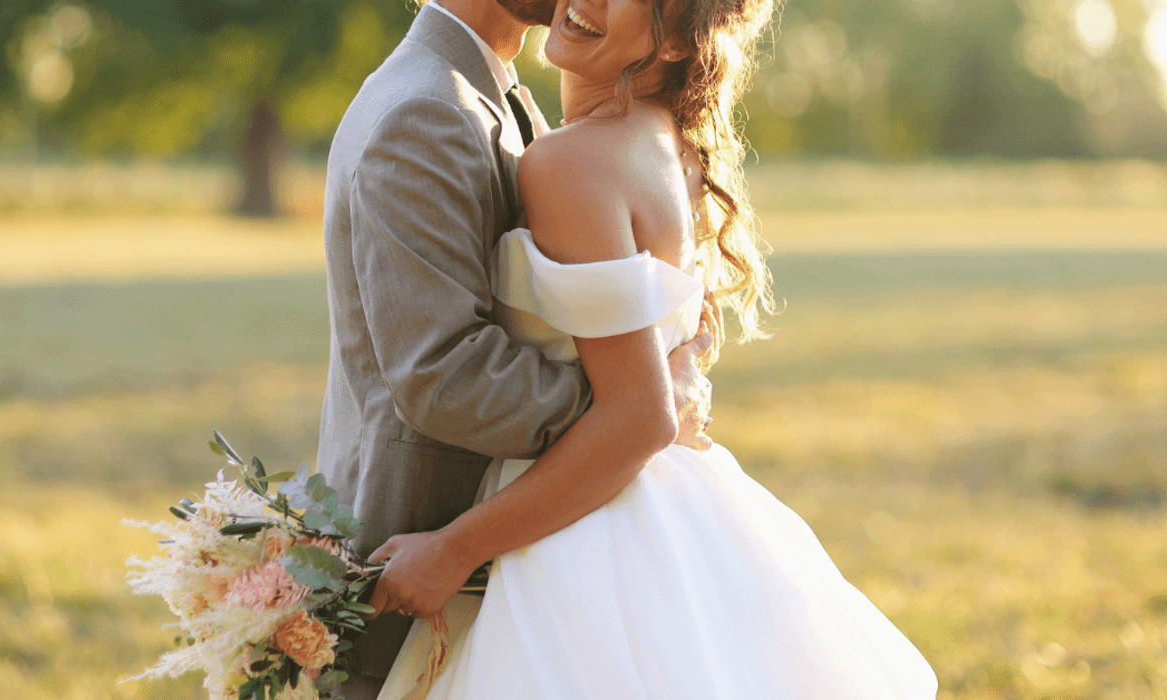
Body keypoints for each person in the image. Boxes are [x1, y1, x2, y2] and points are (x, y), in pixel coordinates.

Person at [364, 0, 941, 698]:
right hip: (668, 508)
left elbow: (638, 418)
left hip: (586, 537)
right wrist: (667, 384)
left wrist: (454, 548)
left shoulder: (569, 162)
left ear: (674, 38)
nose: (583, 2)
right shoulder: (665, 141)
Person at [316, 0, 720, 697]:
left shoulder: (510, 102)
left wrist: (642, 403)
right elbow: (445, 378)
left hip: (526, 558)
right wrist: (643, 406)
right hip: (418, 549)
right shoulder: (427, 111)